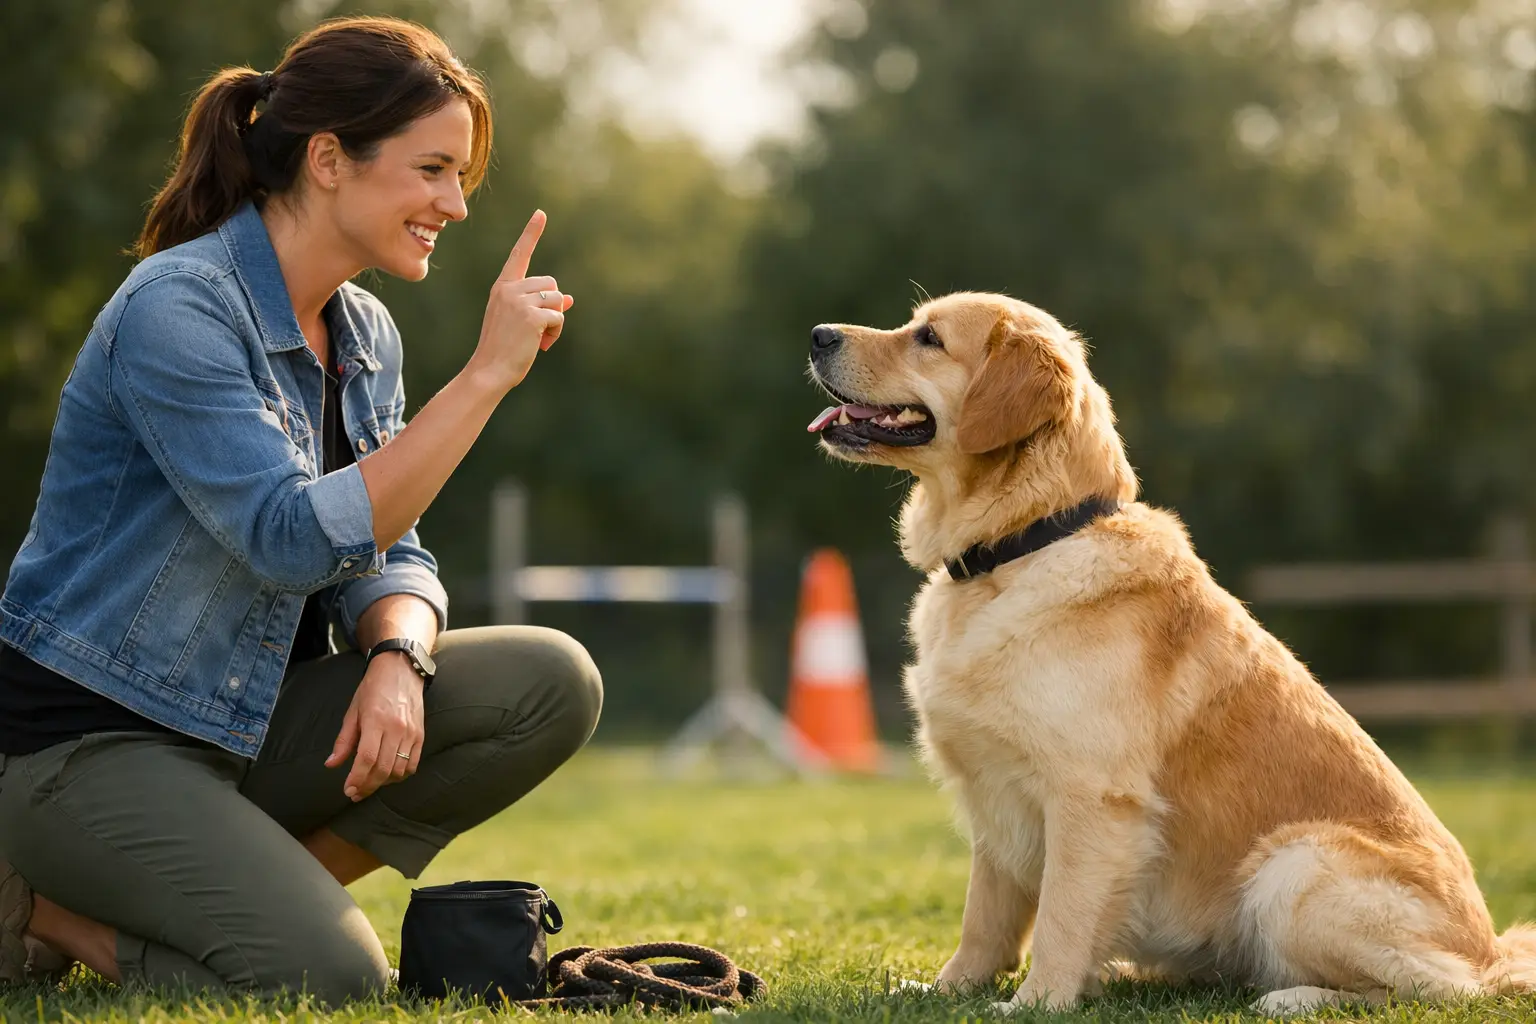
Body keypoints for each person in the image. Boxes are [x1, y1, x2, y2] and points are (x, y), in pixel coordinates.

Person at [0, 16, 602, 1004]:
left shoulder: (365, 329)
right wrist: (487, 377)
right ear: (328, 159)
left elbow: (391, 545)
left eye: (462, 178)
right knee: (330, 980)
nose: (454, 204)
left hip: (242, 729)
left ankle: (250, 897)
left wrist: (398, 658)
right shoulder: (179, 307)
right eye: (432, 170)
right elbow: (287, 537)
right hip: (90, 749)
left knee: (549, 681)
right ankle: (41, 908)